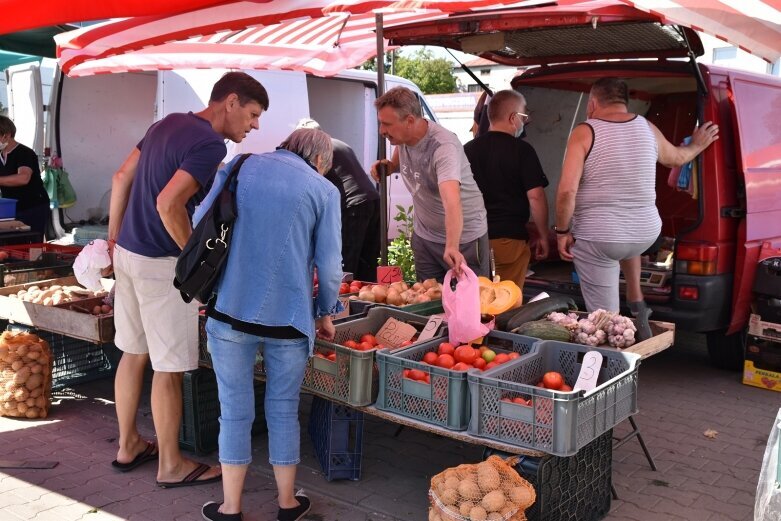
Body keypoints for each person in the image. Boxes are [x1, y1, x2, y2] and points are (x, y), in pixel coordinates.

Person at [105, 72, 269, 488]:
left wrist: (112, 238)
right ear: (229, 102)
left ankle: (128, 446)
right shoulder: (210, 143)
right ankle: (172, 466)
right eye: (252, 115)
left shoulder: (166, 122)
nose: (254, 126)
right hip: (160, 264)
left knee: (133, 352)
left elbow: (120, 177)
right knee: (169, 368)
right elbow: (168, 203)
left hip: (127, 253)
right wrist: (193, 262)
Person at [197, 128, 342, 521]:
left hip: (229, 307)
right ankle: (286, 504)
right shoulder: (323, 191)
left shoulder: (240, 166)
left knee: (234, 410)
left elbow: (200, 217)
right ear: (321, 162)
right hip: (290, 318)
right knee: (283, 409)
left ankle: (230, 507)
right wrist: (326, 312)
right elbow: (330, 269)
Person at [555, 77, 719, 339]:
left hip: (602, 237)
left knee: (603, 318)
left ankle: (612, 352)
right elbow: (676, 157)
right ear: (624, 102)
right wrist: (698, 144)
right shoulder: (647, 127)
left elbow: (566, 191)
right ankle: (636, 298)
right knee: (622, 234)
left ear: (593, 103)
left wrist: (562, 230)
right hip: (645, 234)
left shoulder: (585, 131)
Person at [371, 86, 489, 281]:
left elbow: (452, 201)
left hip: (463, 239)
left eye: (387, 124)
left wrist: (452, 245)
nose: (382, 131)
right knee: (427, 299)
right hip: (425, 236)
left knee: (469, 302)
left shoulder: (443, 146)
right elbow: (401, 154)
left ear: (409, 120)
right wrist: (390, 166)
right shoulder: (403, 138)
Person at [464, 90, 549, 291]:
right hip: (508, 240)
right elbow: (536, 197)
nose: (525, 123)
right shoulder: (523, 151)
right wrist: (543, 235)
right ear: (513, 118)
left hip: (472, 241)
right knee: (506, 302)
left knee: (477, 299)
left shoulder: (467, 149)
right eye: (524, 117)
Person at [296, 118, 380, 282]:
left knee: (345, 260)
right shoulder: (340, 144)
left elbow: (314, 183)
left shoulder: (314, 148)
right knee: (367, 260)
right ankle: (367, 300)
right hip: (373, 200)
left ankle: (343, 303)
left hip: (353, 206)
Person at [0, 116, 50, 237]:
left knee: (32, 244)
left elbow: (23, 178)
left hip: (33, 206)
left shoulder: (24, 153)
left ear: (6, 135)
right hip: (11, 209)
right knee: (13, 241)